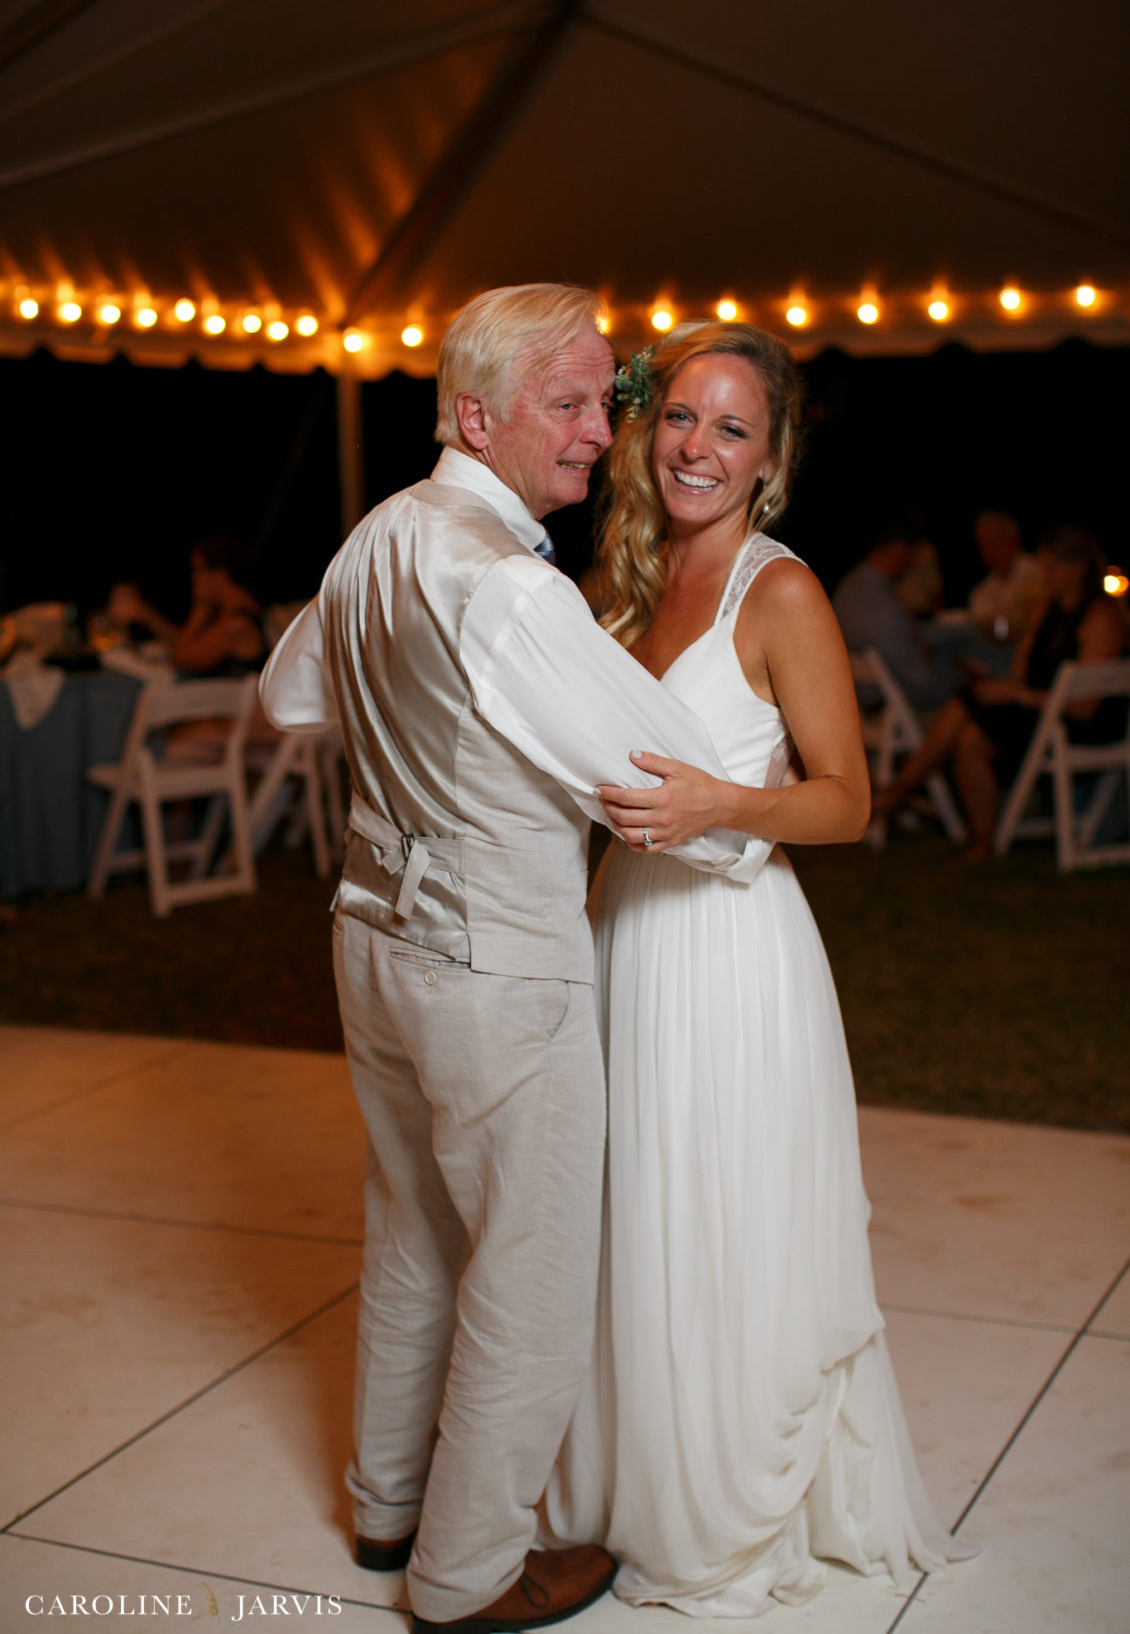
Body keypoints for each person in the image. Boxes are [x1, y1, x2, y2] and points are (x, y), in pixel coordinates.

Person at [258, 285, 773, 1634]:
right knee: (529, 1264)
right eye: (569, 403)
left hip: (370, 938)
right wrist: (741, 832)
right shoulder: (509, 583)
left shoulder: (382, 532)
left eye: (603, 401)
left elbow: (288, 696)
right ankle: (468, 1570)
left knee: (412, 1226)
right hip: (492, 957)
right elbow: (672, 772)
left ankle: (385, 1502)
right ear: (474, 416)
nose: (600, 432)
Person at [543, 321, 969, 1613]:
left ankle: (714, 1506)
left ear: (769, 459)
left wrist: (721, 803)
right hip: (626, 930)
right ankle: (623, 1484)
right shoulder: (623, 576)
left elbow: (845, 800)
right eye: (679, 416)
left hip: (729, 957)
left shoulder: (779, 593)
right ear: (645, 429)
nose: (697, 446)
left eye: (731, 427)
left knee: (716, 1226)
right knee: (630, 1219)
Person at [874, 523, 1127, 861]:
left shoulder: (1100, 618)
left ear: (1077, 568)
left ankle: (900, 790)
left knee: (968, 703)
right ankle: (981, 839)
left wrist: (1016, 696)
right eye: (1043, 566)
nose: (1043, 576)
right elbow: (1021, 672)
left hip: (1079, 726)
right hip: (1043, 714)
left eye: (1051, 568)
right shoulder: (1046, 609)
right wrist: (1001, 684)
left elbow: (1084, 708)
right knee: (969, 733)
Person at [833, 515, 953, 711]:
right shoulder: (880, 605)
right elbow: (920, 685)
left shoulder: (848, 586)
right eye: (913, 554)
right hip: (892, 706)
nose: (914, 562)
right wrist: (964, 688)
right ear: (900, 549)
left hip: (862, 701)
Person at [107, 535, 270, 676]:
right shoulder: (233, 612)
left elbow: (182, 659)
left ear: (219, 575)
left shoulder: (238, 623)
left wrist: (200, 608)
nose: (194, 578)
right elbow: (187, 643)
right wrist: (147, 616)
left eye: (198, 570)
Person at [967, 510, 1043, 644]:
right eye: (984, 544)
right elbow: (999, 634)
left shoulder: (1041, 574)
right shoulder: (981, 593)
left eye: (996, 541)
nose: (991, 551)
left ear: (1015, 539)